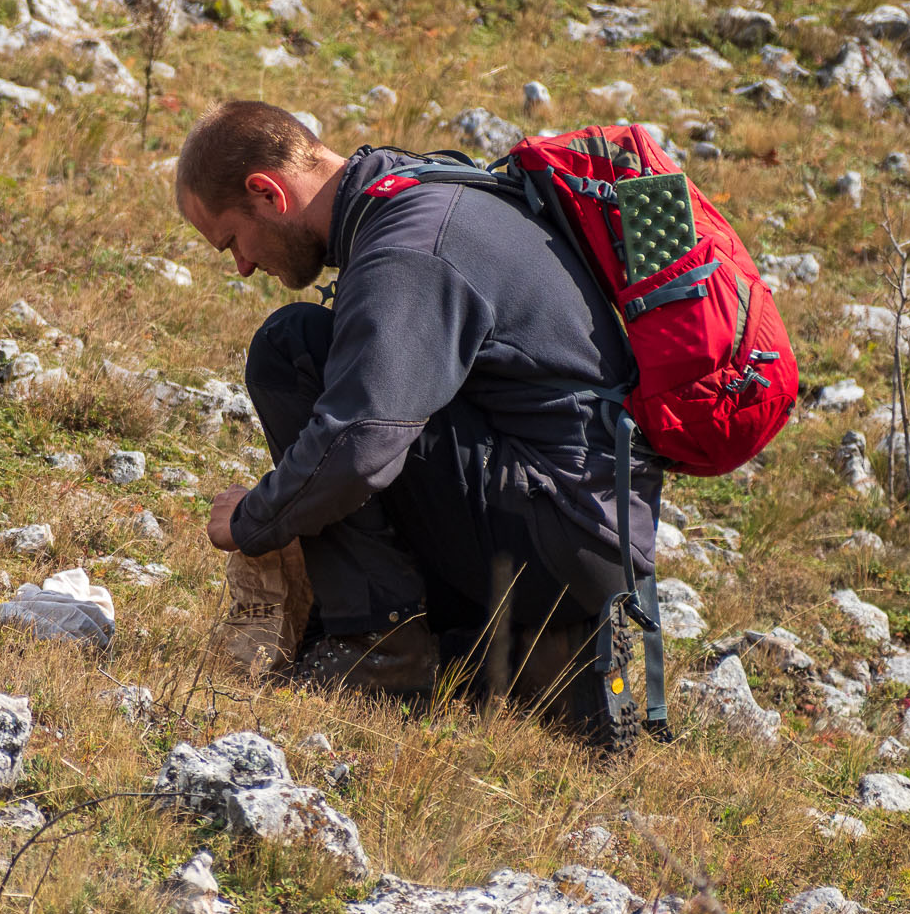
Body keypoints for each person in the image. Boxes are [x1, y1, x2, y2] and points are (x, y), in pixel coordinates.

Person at [175, 100, 662, 735]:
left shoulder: (407, 248)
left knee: (292, 348)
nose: (240, 265)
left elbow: (360, 445)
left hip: (560, 533)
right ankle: (528, 656)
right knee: (344, 366)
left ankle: (380, 652)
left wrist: (251, 520)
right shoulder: (424, 188)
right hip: (590, 528)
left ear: (267, 193)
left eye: (232, 241)